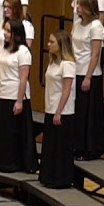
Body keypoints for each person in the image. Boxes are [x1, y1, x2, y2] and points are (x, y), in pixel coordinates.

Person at [0, 20, 37, 173]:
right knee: (2, 132)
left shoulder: (23, 52)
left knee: (15, 133)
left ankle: (16, 164)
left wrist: (19, 101)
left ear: (16, 33)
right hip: (2, 94)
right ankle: (0, 162)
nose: (5, 33)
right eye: (5, 30)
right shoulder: (4, 48)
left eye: (8, 31)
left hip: (16, 96)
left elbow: (23, 78)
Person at [70, 0, 104, 159]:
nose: (76, 8)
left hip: (88, 73)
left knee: (88, 114)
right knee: (78, 112)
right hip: (76, 71)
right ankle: (77, 145)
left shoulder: (96, 26)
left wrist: (88, 77)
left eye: (79, 5)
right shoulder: (78, 24)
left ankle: (90, 148)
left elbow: (95, 54)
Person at [40, 30, 77, 189]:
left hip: (62, 112)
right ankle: (49, 177)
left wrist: (58, 111)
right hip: (50, 108)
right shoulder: (53, 62)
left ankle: (61, 179)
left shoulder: (67, 64)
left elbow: (67, 90)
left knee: (60, 146)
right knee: (50, 146)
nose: (48, 44)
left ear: (61, 45)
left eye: (51, 42)